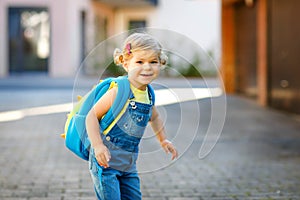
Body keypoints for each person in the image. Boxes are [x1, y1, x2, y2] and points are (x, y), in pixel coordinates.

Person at [86, 32, 178, 200]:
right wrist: (98, 146)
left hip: (128, 165)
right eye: (140, 62)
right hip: (105, 164)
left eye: (153, 62)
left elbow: (155, 117)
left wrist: (163, 139)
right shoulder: (118, 91)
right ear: (126, 64)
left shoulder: (149, 94)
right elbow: (91, 116)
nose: (147, 67)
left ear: (161, 63)